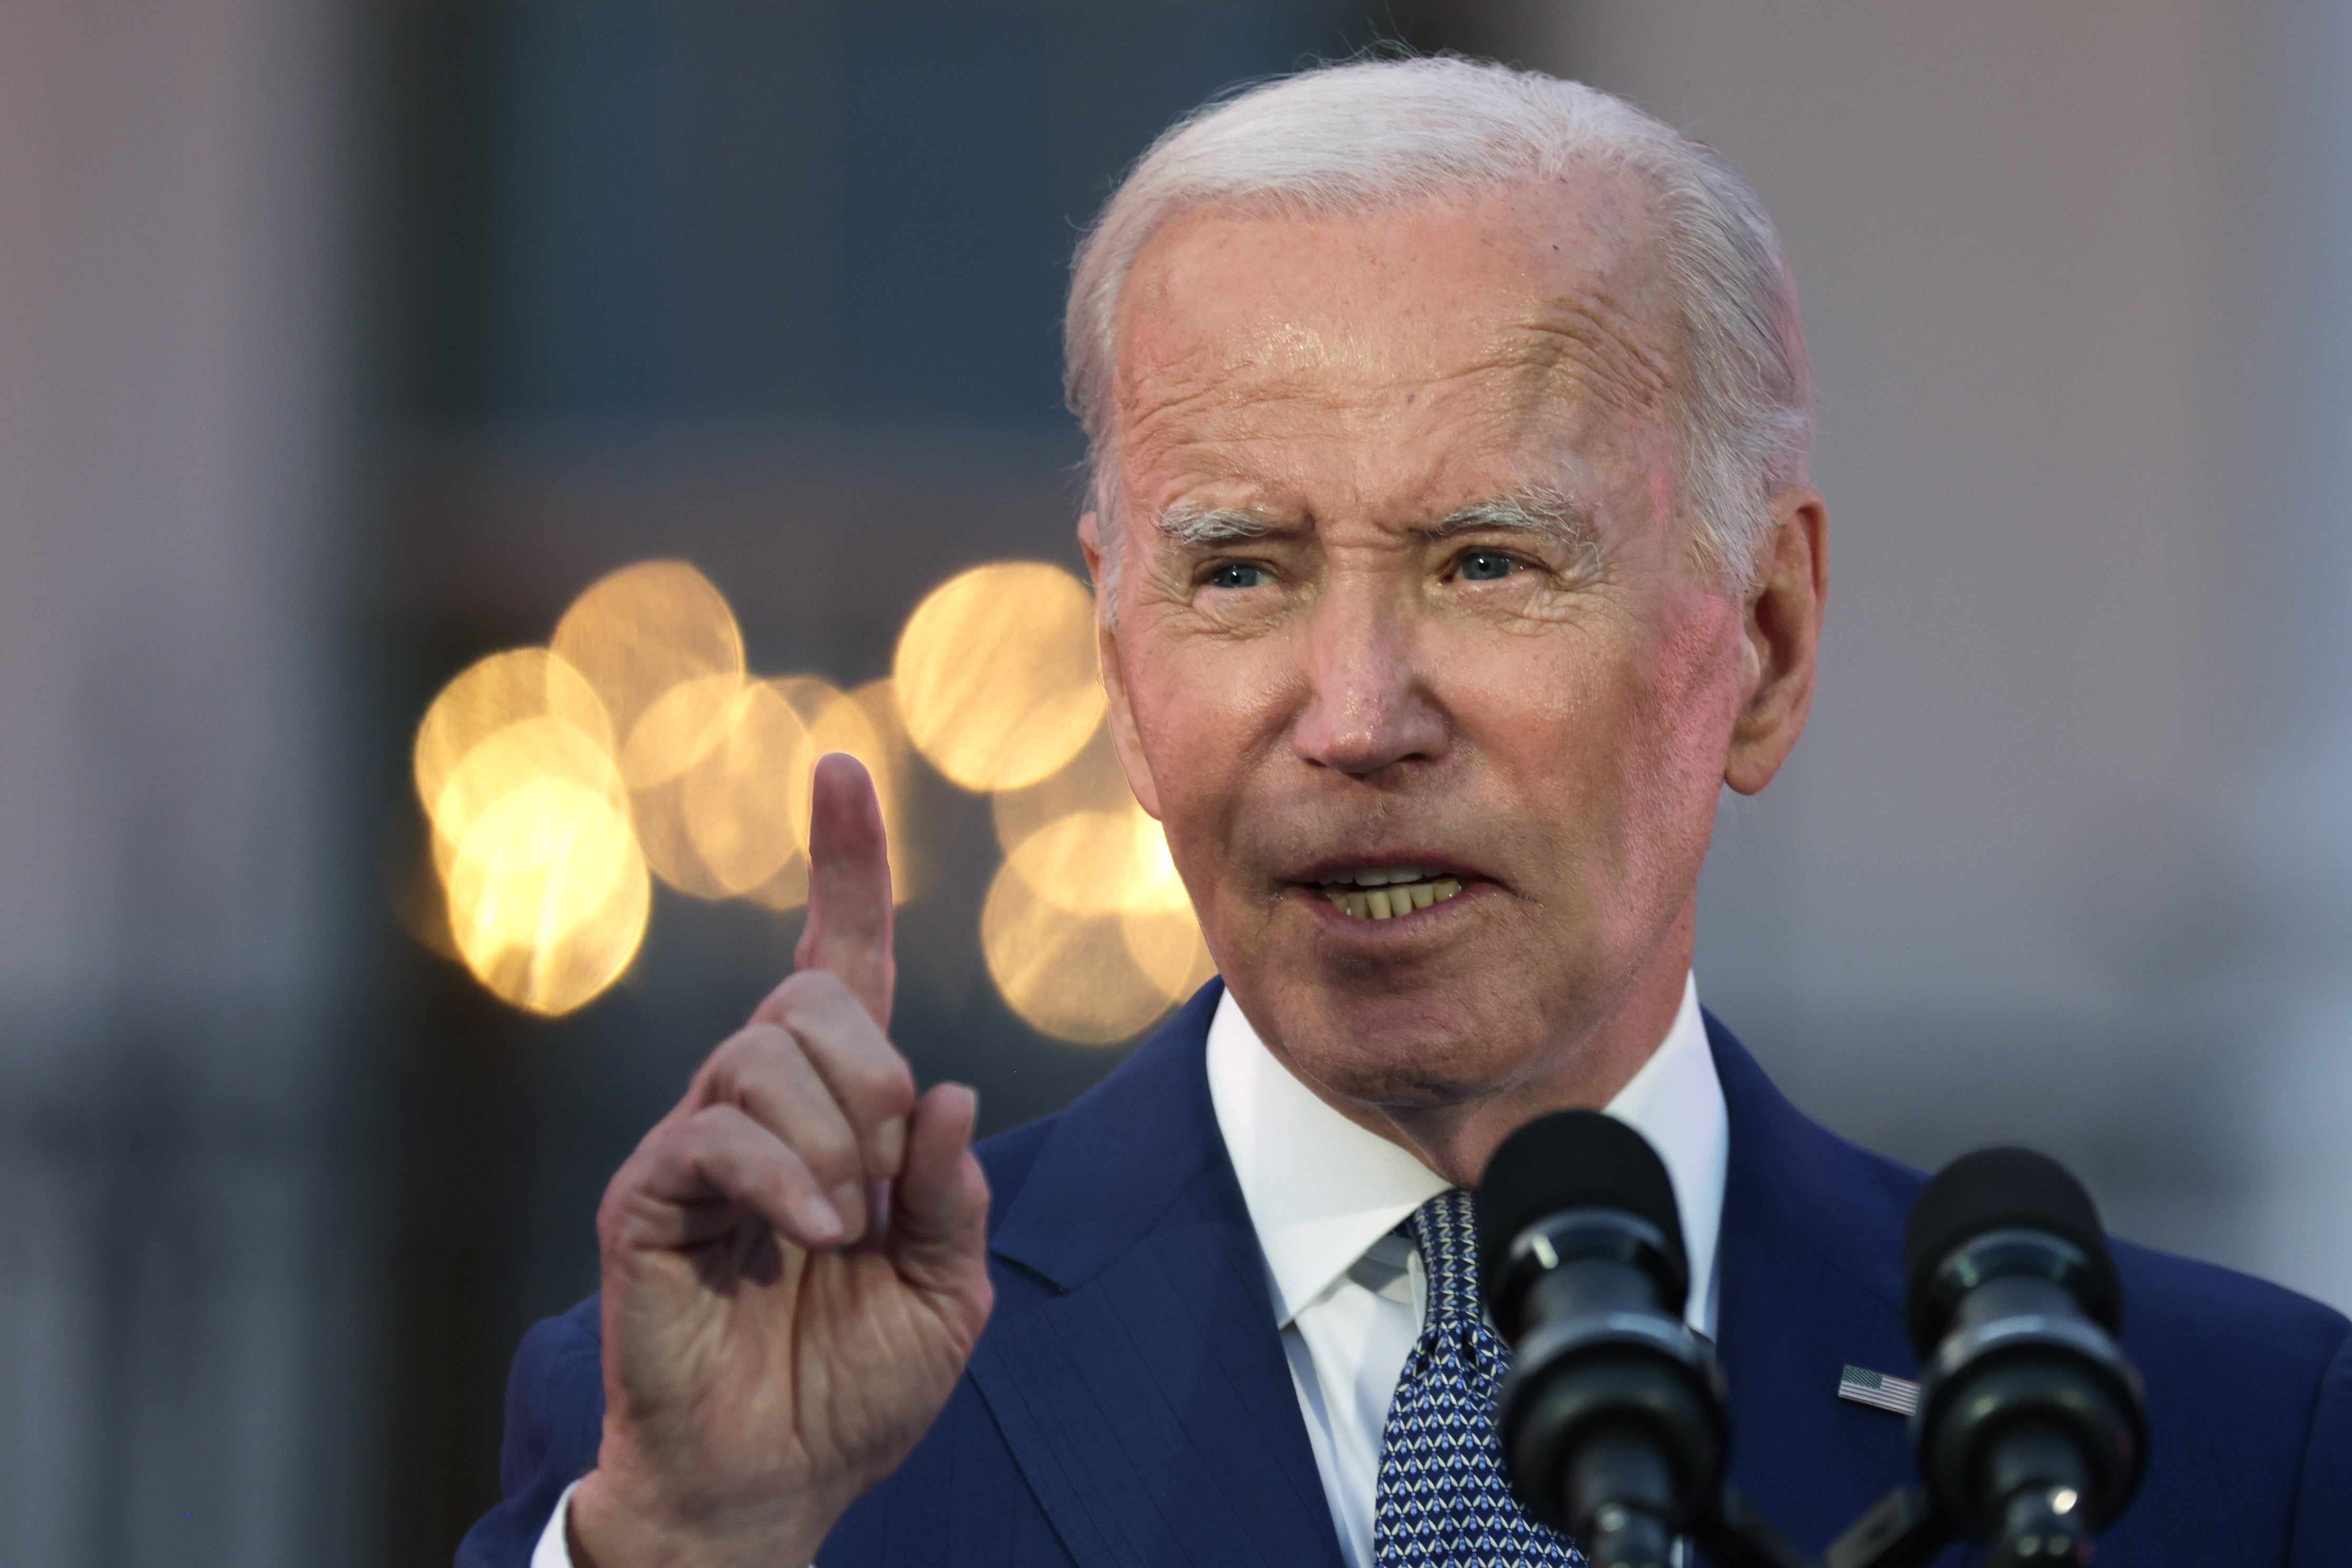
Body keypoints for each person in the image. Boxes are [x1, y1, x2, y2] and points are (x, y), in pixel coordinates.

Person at [459, 57, 2349, 1568]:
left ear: (1764, 643)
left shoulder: (2215, 1441)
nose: (1356, 719)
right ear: (1120, 670)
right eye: (1243, 573)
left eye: (1486, 560)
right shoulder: (744, 1445)